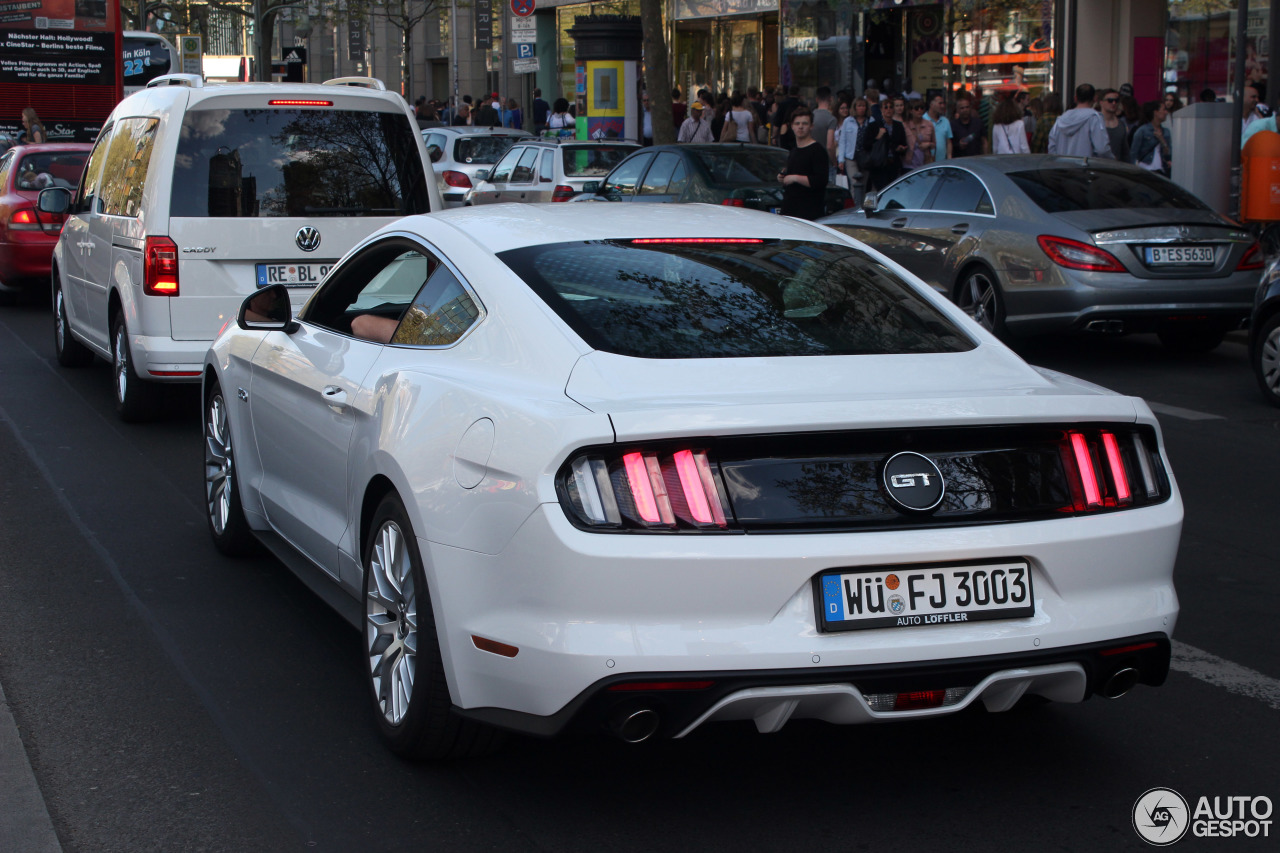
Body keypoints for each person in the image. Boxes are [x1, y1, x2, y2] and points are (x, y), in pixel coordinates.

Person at [777, 107, 829, 220]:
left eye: (805, 123)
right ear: (792, 126)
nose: (800, 126)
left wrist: (795, 178)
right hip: (790, 211)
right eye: (797, 123)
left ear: (811, 126)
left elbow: (820, 180)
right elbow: (791, 174)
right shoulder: (794, 151)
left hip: (808, 213)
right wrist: (783, 177)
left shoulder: (817, 150)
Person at [1048, 83, 1112, 157]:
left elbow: (1052, 148)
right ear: (1095, 99)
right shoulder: (1094, 118)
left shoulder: (1060, 120)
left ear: (1075, 98)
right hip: (1086, 166)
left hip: (1063, 166)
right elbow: (1102, 148)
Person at [862, 94, 907, 194]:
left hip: (893, 164)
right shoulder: (874, 125)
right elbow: (866, 144)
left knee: (892, 190)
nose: (888, 110)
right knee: (880, 191)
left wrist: (901, 148)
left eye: (891, 107)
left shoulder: (898, 126)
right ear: (881, 109)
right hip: (879, 164)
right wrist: (877, 137)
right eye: (885, 107)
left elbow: (903, 143)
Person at [836, 97, 871, 207]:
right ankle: (857, 205)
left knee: (864, 184)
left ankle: (864, 206)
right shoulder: (848, 121)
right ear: (855, 107)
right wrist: (841, 159)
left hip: (866, 157)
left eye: (863, 106)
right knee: (855, 182)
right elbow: (843, 141)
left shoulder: (870, 120)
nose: (861, 108)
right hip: (851, 156)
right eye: (859, 106)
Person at [1131, 100, 1171, 176]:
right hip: (1145, 168)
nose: (1166, 112)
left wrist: (1162, 140)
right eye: (1163, 110)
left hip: (1161, 170)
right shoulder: (1143, 130)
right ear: (1155, 112)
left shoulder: (1166, 132)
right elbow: (1134, 153)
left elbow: (1168, 154)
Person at [810, 86, 839, 171]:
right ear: (830, 99)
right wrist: (834, 161)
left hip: (811, 158)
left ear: (817, 99)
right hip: (825, 161)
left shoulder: (810, 116)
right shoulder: (831, 119)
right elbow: (830, 146)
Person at [1097, 88, 1129, 162]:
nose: (1114, 103)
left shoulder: (1121, 125)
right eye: (1110, 100)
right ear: (1101, 102)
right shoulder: (1094, 123)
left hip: (1116, 168)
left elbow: (1125, 151)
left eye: (1116, 101)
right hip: (1097, 167)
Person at [902, 97, 934, 168]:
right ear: (911, 111)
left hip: (925, 163)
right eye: (916, 108)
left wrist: (928, 144)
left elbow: (934, 145)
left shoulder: (929, 124)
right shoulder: (905, 125)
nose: (919, 110)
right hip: (909, 164)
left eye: (922, 108)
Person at [926, 93, 953, 160]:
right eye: (940, 103)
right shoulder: (923, 120)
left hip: (942, 162)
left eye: (943, 103)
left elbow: (949, 142)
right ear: (931, 104)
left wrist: (949, 157)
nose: (942, 106)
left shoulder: (945, 121)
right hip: (926, 162)